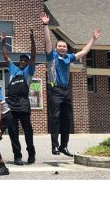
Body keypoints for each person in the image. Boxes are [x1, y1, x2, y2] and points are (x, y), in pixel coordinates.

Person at [41, 12, 101, 157]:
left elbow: (84, 51)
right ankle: (54, 146)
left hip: (66, 91)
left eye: (64, 46)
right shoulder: (52, 56)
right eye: (60, 46)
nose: (62, 48)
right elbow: (48, 42)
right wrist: (45, 25)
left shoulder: (69, 57)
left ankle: (64, 146)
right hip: (54, 89)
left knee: (67, 118)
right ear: (56, 48)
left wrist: (93, 39)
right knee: (55, 117)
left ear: (66, 49)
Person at [0, 30, 37, 165]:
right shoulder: (13, 70)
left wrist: (33, 41)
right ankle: (17, 156)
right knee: (13, 132)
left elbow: (33, 56)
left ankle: (31, 153)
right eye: (21, 60)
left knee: (28, 131)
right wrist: (3, 42)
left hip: (23, 103)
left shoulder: (28, 72)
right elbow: (6, 57)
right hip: (11, 104)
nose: (23, 62)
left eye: (25, 60)